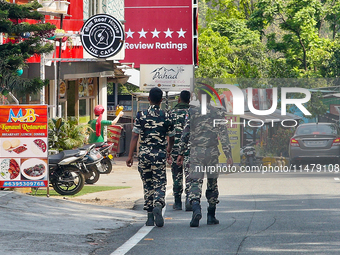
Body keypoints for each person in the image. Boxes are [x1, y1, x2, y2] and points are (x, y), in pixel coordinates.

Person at [177, 85, 233, 227]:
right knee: (212, 183)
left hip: (196, 153)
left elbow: (185, 133)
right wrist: (228, 155)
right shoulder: (217, 112)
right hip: (212, 153)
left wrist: (181, 153)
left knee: (195, 182)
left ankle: (196, 208)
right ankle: (211, 215)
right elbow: (224, 135)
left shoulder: (193, 112)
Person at [126, 87, 175, 227]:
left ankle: (149, 217)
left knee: (147, 184)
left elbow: (135, 136)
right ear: (161, 100)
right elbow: (171, 137)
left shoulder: (141, 115)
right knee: (159, 183)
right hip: (159, 154)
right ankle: (158, 204)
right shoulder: (166, 116)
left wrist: (130, 156)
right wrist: (169, 151)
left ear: (149, 99)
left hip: (144, 155)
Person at [169, 90, 191, 210]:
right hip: (189, 149)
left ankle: (177, 202)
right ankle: (189, 199)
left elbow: (168, 134)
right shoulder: (192, 112)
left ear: (179, 99)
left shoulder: (171, 112)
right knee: (189, 175)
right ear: (189, 100)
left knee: (176, 175)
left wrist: (168, 150)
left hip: (174, 148)